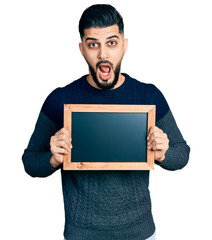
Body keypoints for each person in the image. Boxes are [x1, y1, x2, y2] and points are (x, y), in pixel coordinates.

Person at [22, 4, 190, 240]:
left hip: (140, 232)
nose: (103, 54)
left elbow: (182, 154)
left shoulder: (148, 96)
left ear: (124, 45)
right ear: (82, 49)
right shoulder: (60, 99)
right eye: (93, 45)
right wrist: (53, 158)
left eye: (111, 43)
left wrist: (164, 153)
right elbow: (30, 161)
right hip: (82, 234)